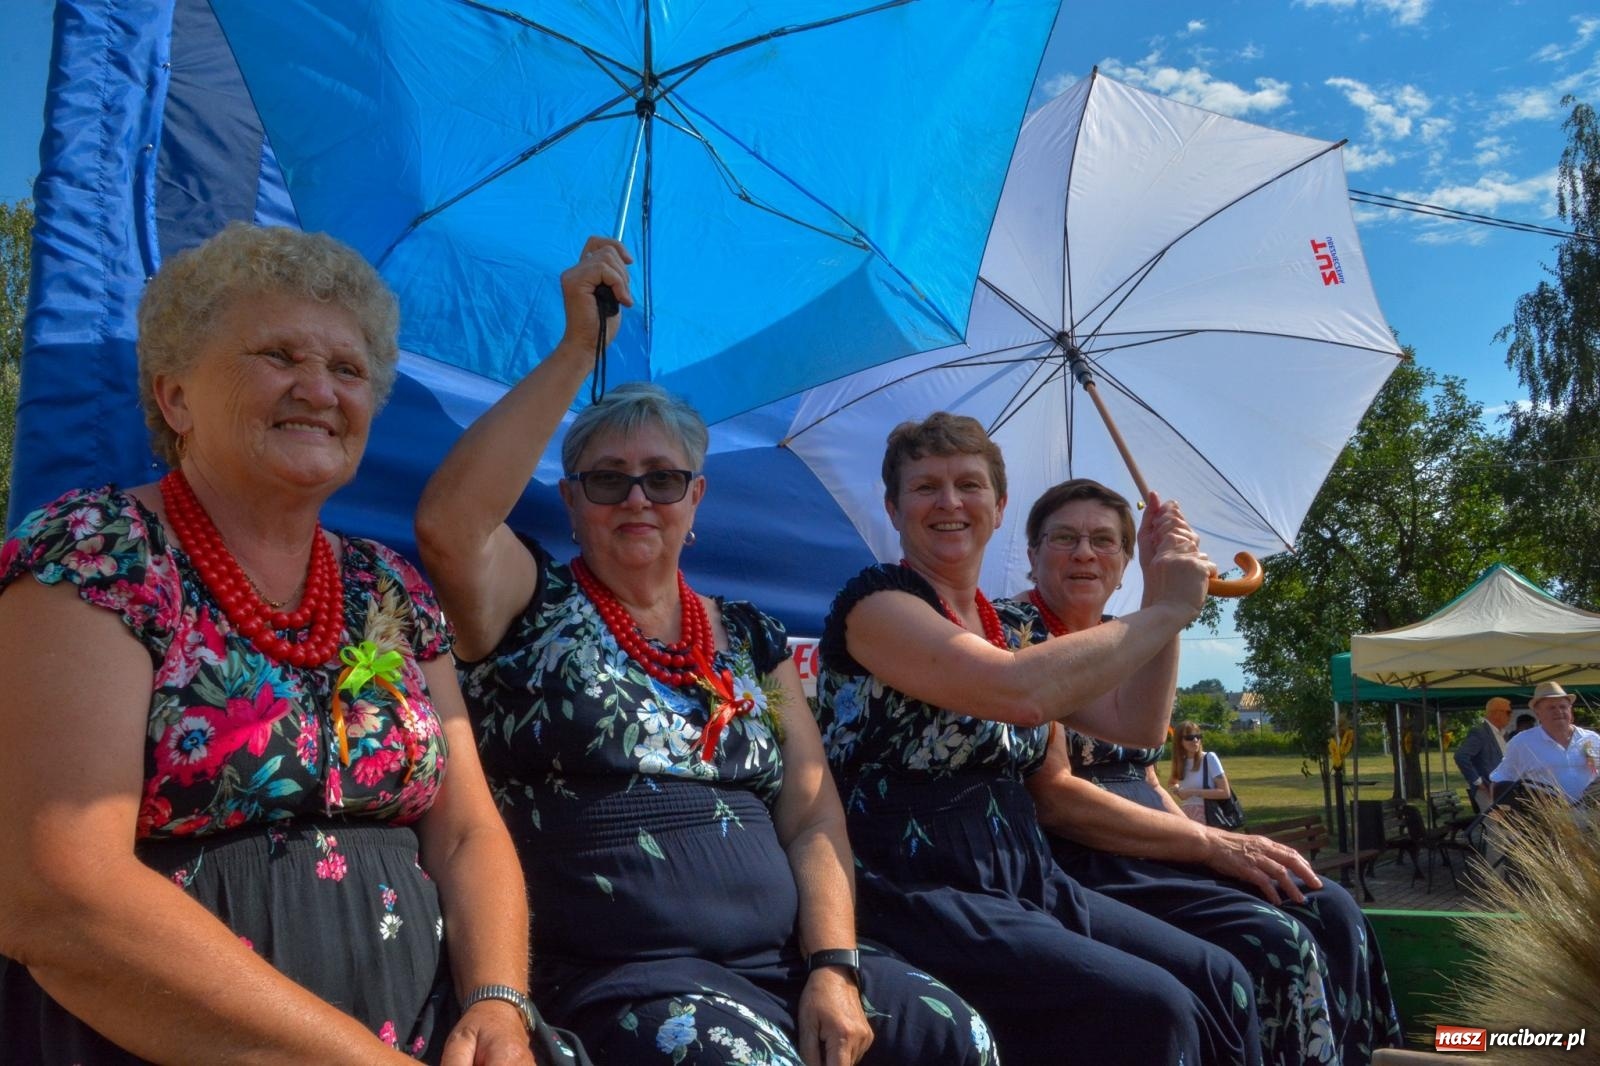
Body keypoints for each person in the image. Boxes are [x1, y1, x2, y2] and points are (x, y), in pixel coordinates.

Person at [414, 240, 995, 1066]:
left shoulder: (748, 632)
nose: (639, 497)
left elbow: (810, 809)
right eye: (608, 480)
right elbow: (449, 525)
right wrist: (579, 350)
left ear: (698, 497)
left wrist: (834, 965)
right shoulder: (527, 600)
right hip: (620, 972)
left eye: (664, 477)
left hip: (781, 961)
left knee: (954, 1035)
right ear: (571, 502)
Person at [0, 224, 552, 1064]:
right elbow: (57, 894)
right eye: (279, 355)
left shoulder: (389, 587)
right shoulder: (96, 555)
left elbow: (469, 830)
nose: (320, 390)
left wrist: (498, 1002)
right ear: (176, 397)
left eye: (348, 369)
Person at [814, 413, 1263, 1066]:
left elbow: (1134, 726)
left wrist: (1159, 584)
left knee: (1219, 976)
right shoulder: (877, 605)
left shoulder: (1015, 624)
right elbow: (1018, 692)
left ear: (998, 508)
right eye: (925, 487)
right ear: (894, 506)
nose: (949, 503)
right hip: (915, 886)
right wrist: (1165, 609)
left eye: (969, 485)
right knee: (1149, 1007)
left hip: (1027, 873)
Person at [1012, 477, 1403, 1066]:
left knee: (1332, 908)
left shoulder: (1126, 637)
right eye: (1063, 538)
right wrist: (1207, 845)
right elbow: (1057, 797)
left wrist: (1220, 840)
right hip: (1091, 857)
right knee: (1278, 942)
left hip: (1159, 846)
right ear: (1033, 554)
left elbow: (1144, 772)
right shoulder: (1019, 633)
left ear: (1127, 562)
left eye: (1104, 540)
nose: (1085, 553)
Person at [1489, 682, 1600, 805]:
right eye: (1551, 708)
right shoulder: (1522, 742)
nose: (1558, 711)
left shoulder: (1592, 739)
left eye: (1563, 707)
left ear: (1570, 709)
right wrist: (1502, 813)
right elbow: (1500, 781)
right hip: (1547, 820)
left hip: (1592, 817)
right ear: (1538, 713)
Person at [1454, 696, 1512, 812]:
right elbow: (1461, 756)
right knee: (1494, 827)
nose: (1511, 716)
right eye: (1508, 712)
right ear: (1496, 713)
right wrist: (1478, 782)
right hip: (1487, 790)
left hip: (1502, 790)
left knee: (1505, 827)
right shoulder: (1480, 732)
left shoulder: (1503, 734)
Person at [1169, 720, 1230, 824]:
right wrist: (1177, 790)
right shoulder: (1180, 762)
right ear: (1179, 741)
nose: (1195, 740)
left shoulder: (1209, 758)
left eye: (1198, 736)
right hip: (1188, 816)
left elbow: (1225, 792)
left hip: (1209, 815)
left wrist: (1192, 792)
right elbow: (1172, 783)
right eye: (1189, 738)